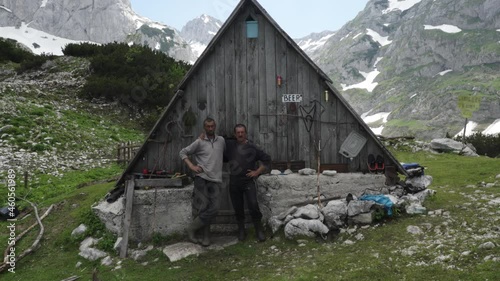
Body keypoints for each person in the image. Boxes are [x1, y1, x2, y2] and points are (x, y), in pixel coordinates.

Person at [179, 117, 225, 246]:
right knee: (203, 207)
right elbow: (183, 153)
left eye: (212, 126)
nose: (210, 128)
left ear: (215, 126)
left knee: (214, 208)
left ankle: (191, 228)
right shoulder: (199, 142)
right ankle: (206, 237)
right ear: (204, 127)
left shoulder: (221, 140)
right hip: (202, 178)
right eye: (208, 126)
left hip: (215, 179)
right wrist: (192, 166)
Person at [224, 124, 271, 242]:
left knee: (253, 205)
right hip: (234, 182)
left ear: (245, 133)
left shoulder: (252, 148)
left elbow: (267, 160)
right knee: (238, 208)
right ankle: (241, 230)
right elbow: (216, 142)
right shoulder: (229, 146)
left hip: (248, 182)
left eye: (242, 132)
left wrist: (257, 172)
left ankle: (258, 230)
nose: (240, 134)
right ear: (235, 134)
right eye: (238, 132)